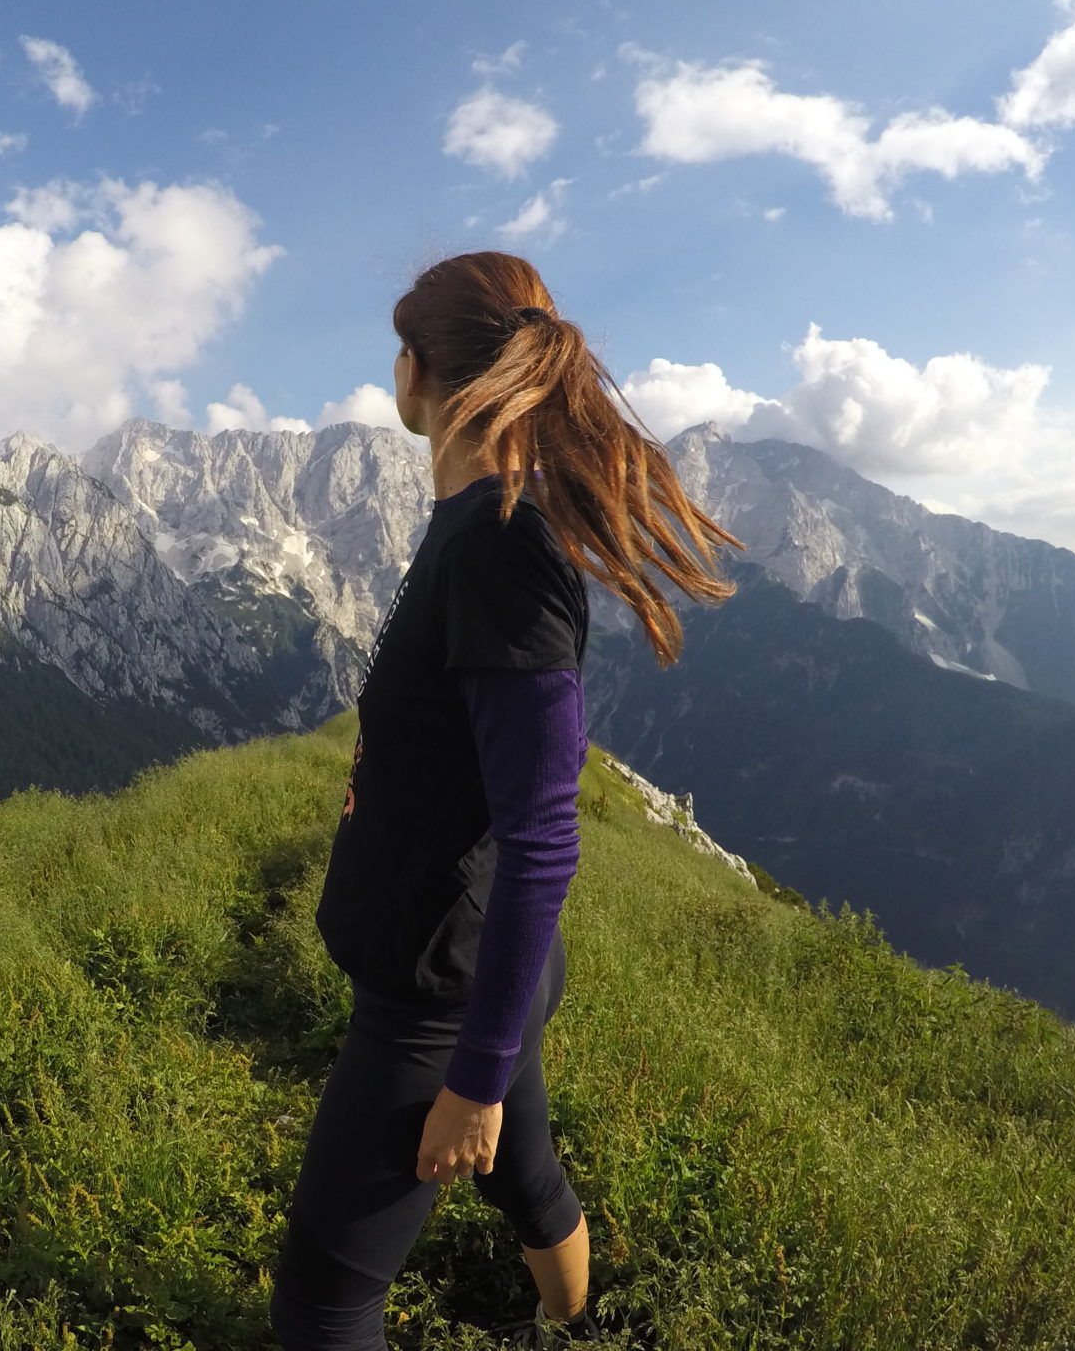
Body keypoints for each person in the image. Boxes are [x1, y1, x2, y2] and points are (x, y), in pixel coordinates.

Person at [268, 252, 740, 1350]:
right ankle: (567, 1332)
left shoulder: (495, 547)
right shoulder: (473, 524)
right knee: (525, 1176)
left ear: (424, 372)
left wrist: (471, 1078)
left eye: (398, 345)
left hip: (435, 1004)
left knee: (323, 1303)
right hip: (480, 976)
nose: (391, 367)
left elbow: (540, 838)